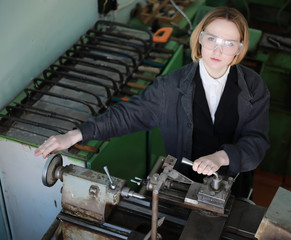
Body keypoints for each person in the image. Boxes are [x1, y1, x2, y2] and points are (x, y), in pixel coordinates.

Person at [35, 6, 270, 199]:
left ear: (240, 48)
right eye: (212, 38)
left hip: (233, 190)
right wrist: (75, 135)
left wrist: (220, 157)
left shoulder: (253, 87)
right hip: (182, 186)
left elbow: (257, 142)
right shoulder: (170, 87)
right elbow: (127, 115)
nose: (218, 49)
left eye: (229, 43)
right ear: (199, 39)